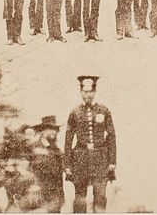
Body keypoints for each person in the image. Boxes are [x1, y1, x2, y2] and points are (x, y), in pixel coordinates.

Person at [64, 75, 116, 213]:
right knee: (80, 197)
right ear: (81, 92)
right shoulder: (74, 112)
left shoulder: (104, 111)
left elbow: (111, 137)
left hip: (100, 159)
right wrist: (68, 164)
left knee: (100, 197)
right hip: (80, 159)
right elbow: (68, 140)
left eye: (90, 92)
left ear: (95, 92)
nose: (88, 95)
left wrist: (112, 161)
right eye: (85, 92)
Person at [30, 115, 65, 213]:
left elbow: (63, 167)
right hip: (40, 193)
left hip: (55, 194)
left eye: (55, 129)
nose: (54, 132)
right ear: (42, 131)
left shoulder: (56, 149)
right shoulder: (34, 148)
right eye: (50, 129)